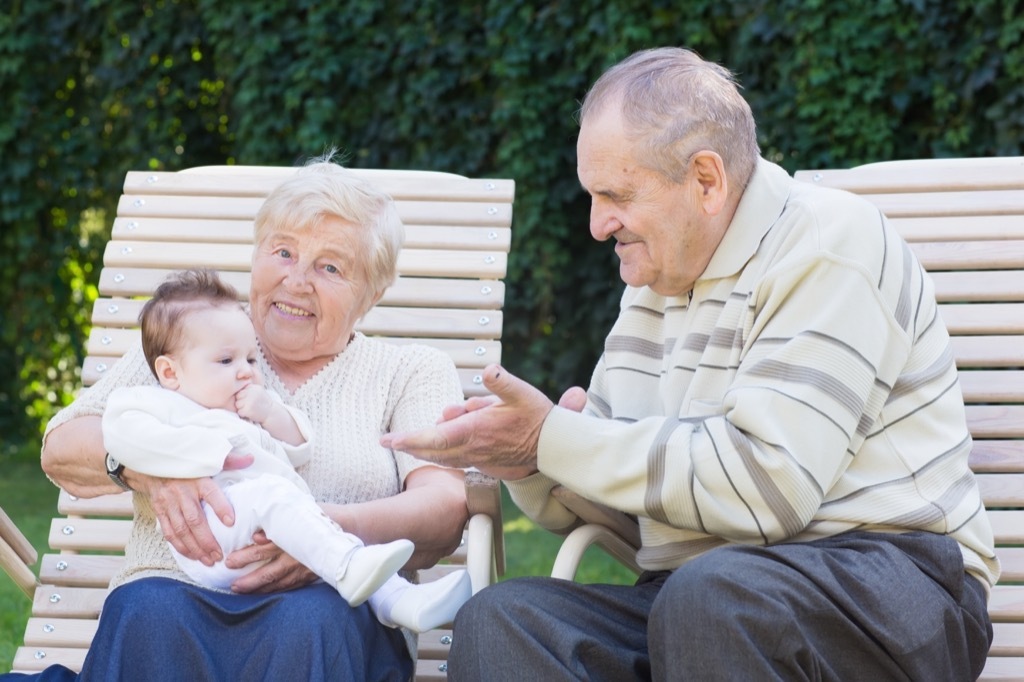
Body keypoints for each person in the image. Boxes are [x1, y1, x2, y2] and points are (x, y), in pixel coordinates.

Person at [382, 47, 1001, 681]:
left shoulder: (828, 246)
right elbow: (625, 499)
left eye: (615, 195)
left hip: (891, 587)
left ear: (705, 180)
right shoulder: (656, 277)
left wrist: (558, 439)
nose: (597, 225)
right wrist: (534, 460)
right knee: (507, 622)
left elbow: (769, 491)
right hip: (706, 596)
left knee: (713, 599)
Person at [27, 153, 471, 681]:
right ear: (256, 255)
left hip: (325, 605)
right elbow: (61, 448)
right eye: (283, 252)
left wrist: (323, 537)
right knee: (147, 610)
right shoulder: (191, 341)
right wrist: (144, 468)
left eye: (330, 267)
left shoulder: (409, 370)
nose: (297, 280)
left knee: (312, 619)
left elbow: (444, 510)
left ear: (371, 293)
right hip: (173, 592)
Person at [102, 268, 471, 633]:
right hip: (215, 532)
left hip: (261, 527)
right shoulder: (163, 404)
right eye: (226, 361)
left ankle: (400, 602)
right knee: (285, 504)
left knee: (333, 538)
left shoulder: (245, 412)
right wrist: (201, 456)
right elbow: (121, 434)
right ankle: (351, 568)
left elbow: (298, 447)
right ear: (169, 373)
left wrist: (271, 412)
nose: (246, 372)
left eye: (250, 360)